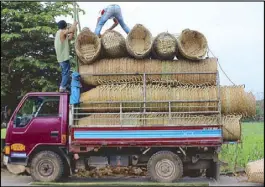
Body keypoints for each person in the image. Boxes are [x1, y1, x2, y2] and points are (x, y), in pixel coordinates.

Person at [54, 20, 78, 92]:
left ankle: (64, 86)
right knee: (66, 73)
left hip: (61, 58)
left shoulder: (59, 33)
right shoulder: (61, 32)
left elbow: (70, 38)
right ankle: (62, 87)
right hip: (63, 57)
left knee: (65, 73)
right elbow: (70, 30)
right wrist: (74, 24)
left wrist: (72, 32)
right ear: (64, 26)